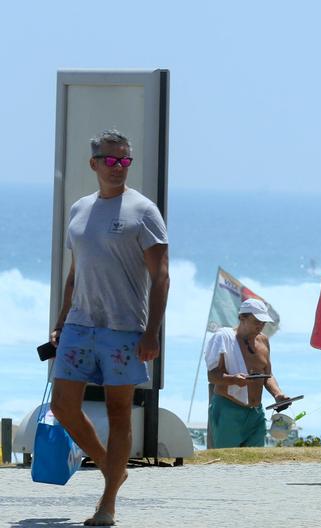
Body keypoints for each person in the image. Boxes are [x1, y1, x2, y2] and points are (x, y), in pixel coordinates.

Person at [49, 130, 170, 527]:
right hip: (80, 325)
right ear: (94, 163)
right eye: (110, 160)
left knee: (120, 412)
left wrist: (152, 332)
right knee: (62, 406)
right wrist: (61, 319)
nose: (117, 168)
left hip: (124, 329)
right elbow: (75, 272)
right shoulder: (79, 209)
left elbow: (161, 276)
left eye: (124, 161)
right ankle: (109, 464)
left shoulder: (144, 211)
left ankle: (107, 505)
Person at [205, 299, 289, 448]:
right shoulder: (223, 337)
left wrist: (278, 394)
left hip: (256, 411)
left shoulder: (263, 341)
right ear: (242, 318)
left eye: (263, 322)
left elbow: (267, 375)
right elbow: (212, 376)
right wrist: (233, 379)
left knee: (254, 464)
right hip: (228, 408)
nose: (261, 325)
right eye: (257, 321)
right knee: (228, 462)